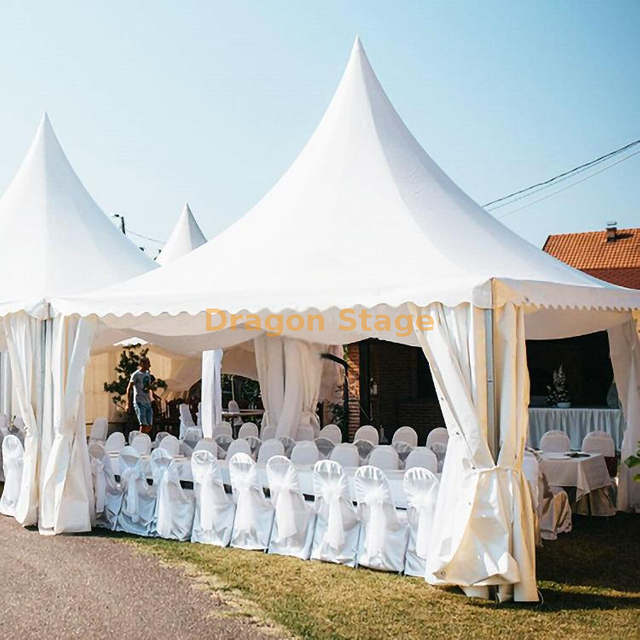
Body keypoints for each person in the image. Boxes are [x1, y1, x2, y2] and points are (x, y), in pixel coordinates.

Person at [126, 357, 154, 434]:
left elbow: (149, 387)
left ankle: (143, 437)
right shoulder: (136, 375)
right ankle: (139, 440)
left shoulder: (147, 374)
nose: (149, 365)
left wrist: (152, 397)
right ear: (142, 364)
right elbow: (129, 388)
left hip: (147, 401)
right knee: (143, 424)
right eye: (147, 363)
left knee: (149, 425)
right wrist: (128, 403)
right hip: (139, 401)